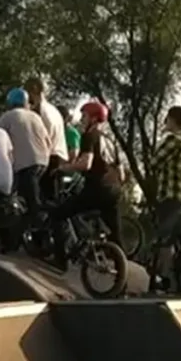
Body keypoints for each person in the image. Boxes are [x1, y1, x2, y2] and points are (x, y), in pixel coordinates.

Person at [49, 100, 125, 271]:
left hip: (96, 189)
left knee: (58, 214)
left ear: (93, 118)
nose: (82, 119)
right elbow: (122, 174)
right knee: (115, 234)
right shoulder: (110, 140)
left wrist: (63, 168)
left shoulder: (90, 136)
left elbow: (86, 164)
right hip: (114, 190)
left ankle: (60, 260)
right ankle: (122, 277)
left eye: (84, 116)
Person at [148, 105, 181, 292]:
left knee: (165, 240)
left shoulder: (172, 140)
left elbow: (154, 162)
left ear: (172, 120)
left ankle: (164, 278)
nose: (165, 123)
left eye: (167, 120)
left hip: (169, 195)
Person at [0, 87, 51, 221]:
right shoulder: (36, 117)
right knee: (34, 193)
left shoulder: (8, 116)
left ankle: (35, 220)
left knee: (24, 198)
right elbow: (48, 141)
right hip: (43, 161)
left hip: (24, 163)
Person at [24, 77, 69, 203]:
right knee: (55, 199)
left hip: (48, 157)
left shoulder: (39, 111)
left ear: (34, 90)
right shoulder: (53, 110)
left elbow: (41, 137)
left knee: (43, 199)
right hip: (59, 156)